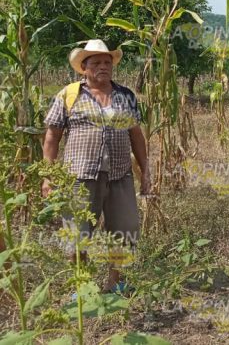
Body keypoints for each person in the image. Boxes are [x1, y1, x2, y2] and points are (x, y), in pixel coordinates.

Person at [42, 39, 150, 293]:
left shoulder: (125, 96)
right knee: (77, 233)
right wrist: (48, 176)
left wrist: (145, 171)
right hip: (79, 176)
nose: (103, 66)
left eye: (107, 62)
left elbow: (136, 135)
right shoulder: (68, 95)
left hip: (119, 175)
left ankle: (116, 282)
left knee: (125, 229)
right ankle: (82, 289)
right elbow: (52, 136)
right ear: (84, 67)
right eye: (97, 62)